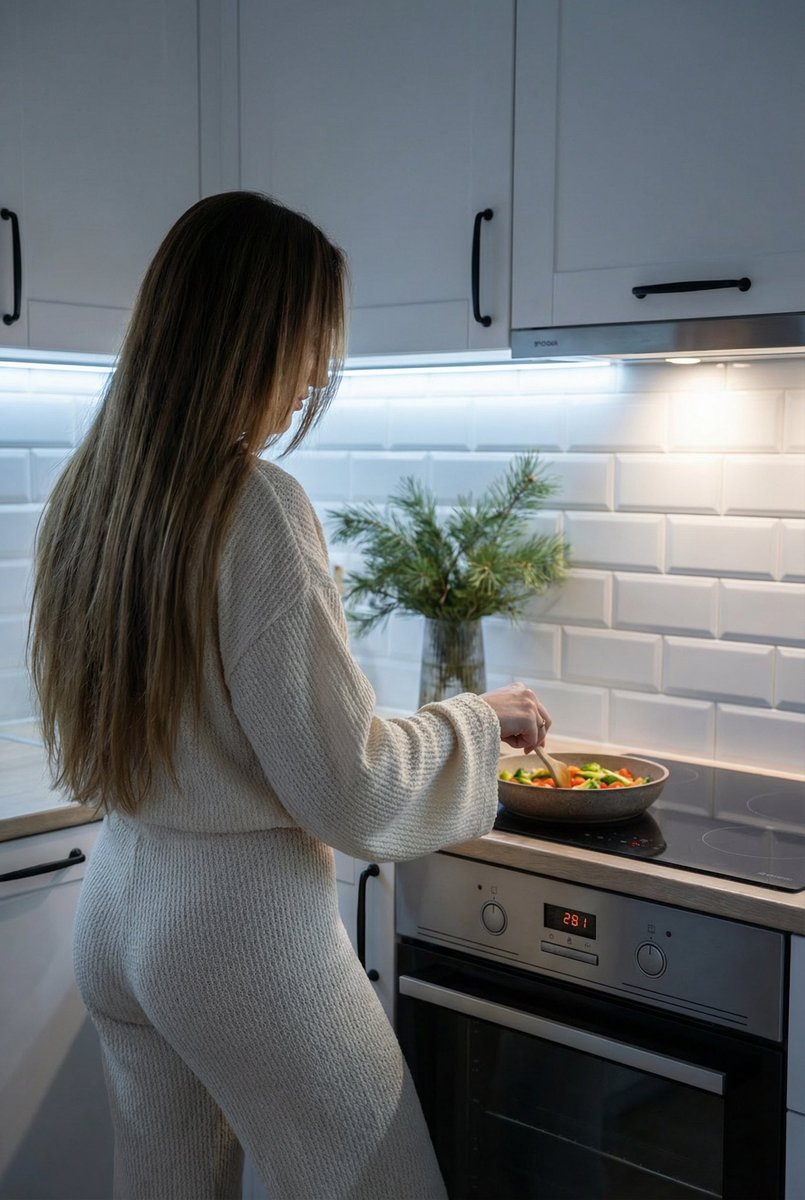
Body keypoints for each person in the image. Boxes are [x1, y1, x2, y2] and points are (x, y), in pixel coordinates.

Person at [29, 191, 552, 1200]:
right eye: (309, 345)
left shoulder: (94, 491)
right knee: (382, 1182)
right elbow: (343, 783)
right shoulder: (258, 505)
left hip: (123, 906)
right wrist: (475, 724)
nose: (315, 374)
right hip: (235, 938)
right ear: (253, 338)